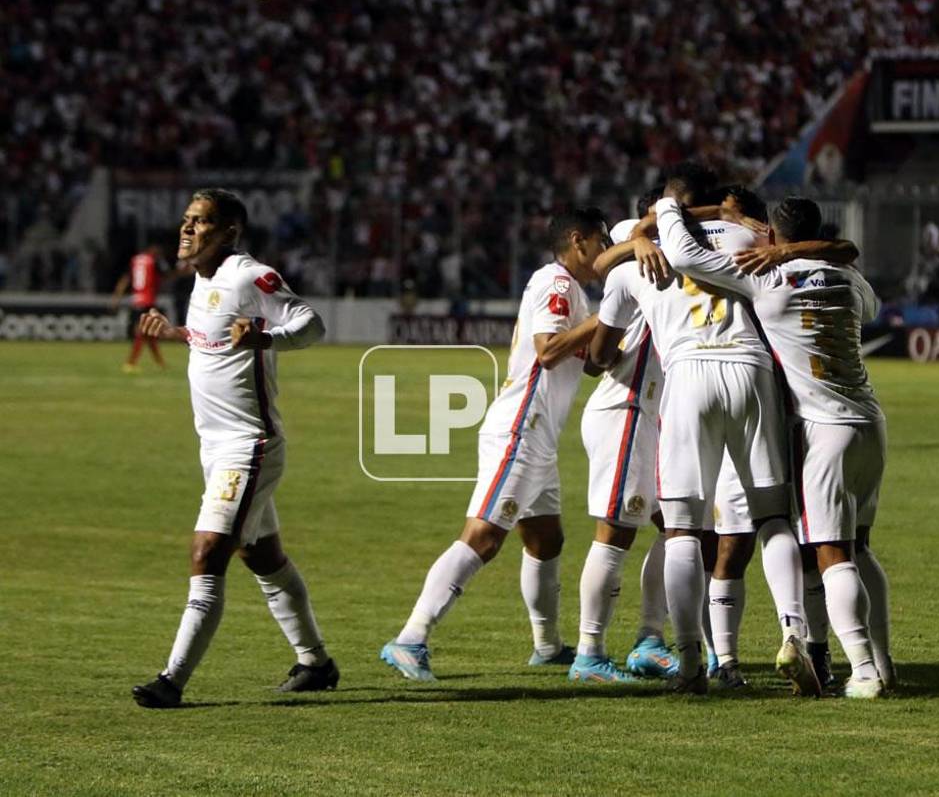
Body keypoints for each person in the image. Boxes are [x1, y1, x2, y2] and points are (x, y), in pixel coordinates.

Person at [651, 194, 894, 698]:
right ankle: (883, 663)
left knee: (832, 553)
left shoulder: (766, 276)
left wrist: (670, 208)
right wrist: (809, 252)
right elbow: (866, 295)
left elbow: (686, 256)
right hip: (870, 423)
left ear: (771, 237)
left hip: (822, 429)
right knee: (861, 546)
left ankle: (864, 671)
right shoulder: (850, 280)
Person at [588, 163, 804, 694]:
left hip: (686, 377)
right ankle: (791, 635)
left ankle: (689, 663)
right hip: (750, 368)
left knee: (682, 530)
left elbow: (600, 347)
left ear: (665, 204)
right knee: (772, 517)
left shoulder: (641, 258)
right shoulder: (748, 236)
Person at [380, 207, 607, 681]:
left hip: (540, 435)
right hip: (521, 427)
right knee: (483, 535)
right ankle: (411, 637)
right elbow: (548, 351)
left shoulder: (575, 293)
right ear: (577, 240)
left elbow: (588, 362)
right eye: (600, 241)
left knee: (546, 539)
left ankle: (547, 646)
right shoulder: (557, 282)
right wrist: (610, 314)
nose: (605, 251)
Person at [131, 189, 334, 708]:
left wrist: (265, 338)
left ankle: (171, 681)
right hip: (215, 446)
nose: (187, 228)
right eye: (186, 219)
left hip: (249, 445)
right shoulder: (200, 279)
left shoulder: (250, 276)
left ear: (229, 232)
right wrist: (177, 332)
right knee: (262, 556)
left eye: (200, 221)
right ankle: (315, 662)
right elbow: (214, 338)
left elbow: (311, 323)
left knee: (208, 551)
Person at [569, 190, 678, 684]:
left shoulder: (662, 249)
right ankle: (588, 654)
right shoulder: (635, 248)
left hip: (650, 415)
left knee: (677, 527)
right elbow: (595, 359)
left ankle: (649, 641)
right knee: (615, 533)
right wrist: (642, 236)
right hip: (626, 409)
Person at [111, 244, 168, 373]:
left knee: (149, 332)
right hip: (148, 300)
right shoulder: (153, 261)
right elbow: (165, 276)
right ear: (153, 250)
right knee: (142, 331)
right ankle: (130, 363)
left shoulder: (135, 260)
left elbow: (125, 279)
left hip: (136, 299)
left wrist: (116, 298)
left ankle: (160, 362)